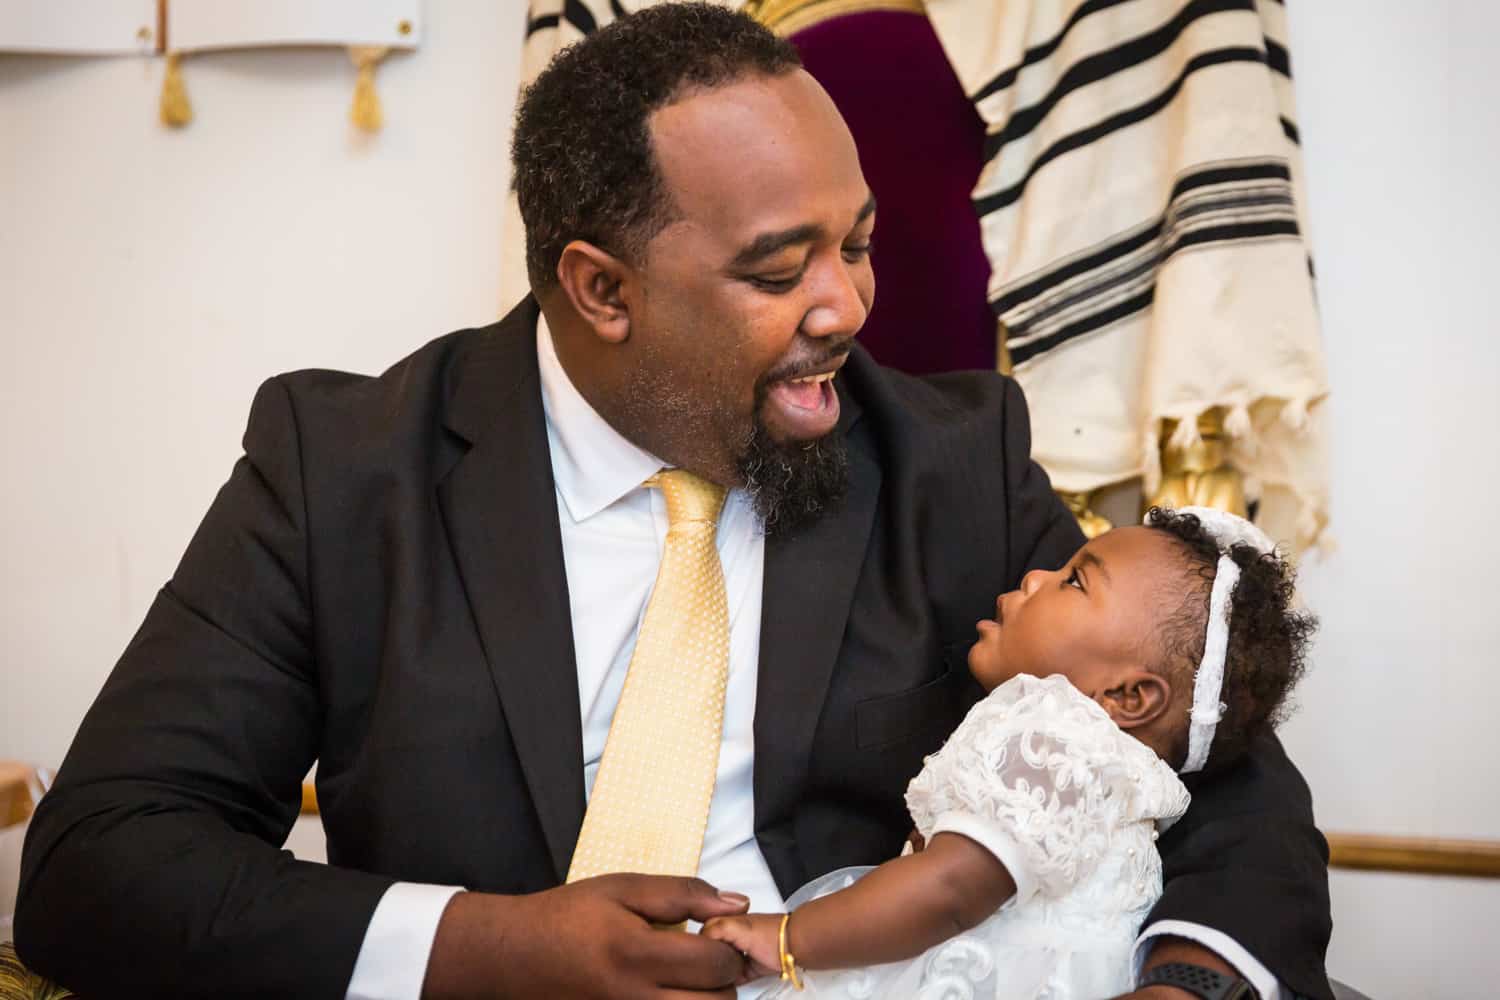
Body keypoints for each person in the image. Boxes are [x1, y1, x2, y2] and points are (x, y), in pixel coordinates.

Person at [14, 5, 1332, 999]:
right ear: (601, 289)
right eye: (780, 269)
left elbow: (1224, 774)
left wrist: (1182, 985)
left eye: (859, 243)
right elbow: (102, 864)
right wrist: (481, 947)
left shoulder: (953, 459)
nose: (850, 307)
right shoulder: (343, 466)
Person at [703, 507, 1315, 999]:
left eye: (1074, 580)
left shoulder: (1052, 739)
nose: (1034, 578)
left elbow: (949, 889)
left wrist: (786, 939)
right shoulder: (1123, 769)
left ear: (1128, 696)